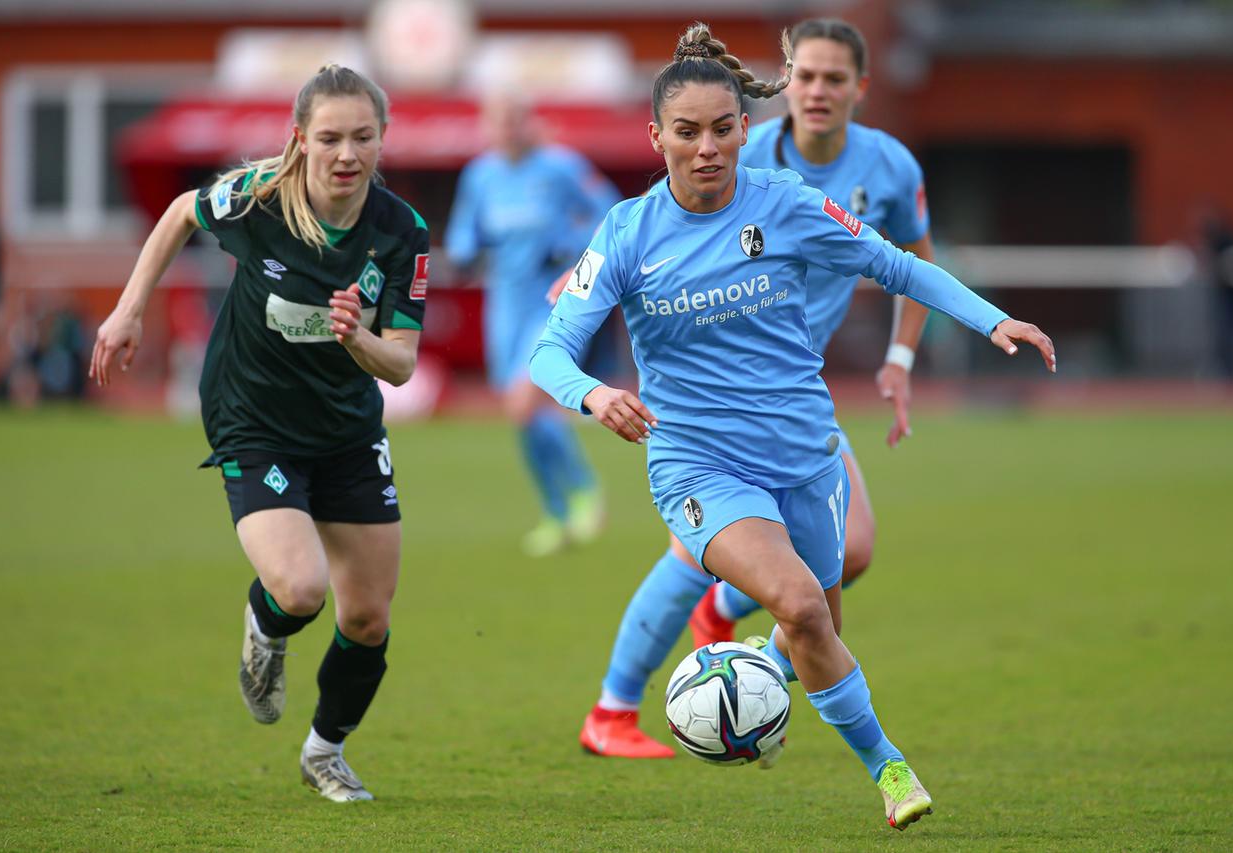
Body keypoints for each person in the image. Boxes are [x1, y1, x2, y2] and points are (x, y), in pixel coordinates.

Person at [530, 23, 1054, 831]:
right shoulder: (628, 235)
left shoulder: (793, 207)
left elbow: (899, 265)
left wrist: (992, 320)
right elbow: (551, 349)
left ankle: (751, 702)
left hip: (807, 458)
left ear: (746, 129)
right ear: (656, 136)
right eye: (687, 131)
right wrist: (595, 396)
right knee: (803, 606)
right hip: (698, 465)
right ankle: (891, 770)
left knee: (817, 627)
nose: (706, 147)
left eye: (722, 128)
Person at [574, 17, 938, 763]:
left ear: (859, 89)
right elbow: (665, 216)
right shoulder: (747, 154)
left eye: (834, 78)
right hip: (713, 408)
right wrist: (594, 275)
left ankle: (731, 626)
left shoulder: (890, 167)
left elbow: (912, 261)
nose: (816, 91)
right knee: (710, 556)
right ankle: (615, 705)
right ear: (781, 85)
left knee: (851, 551)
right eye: (804, 75)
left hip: (789, 399)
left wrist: (900, 355)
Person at [89, 65, 429, 802]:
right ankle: (265, 622)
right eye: (330, 138)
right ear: (300, 139)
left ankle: (324, 752)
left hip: (345, 429)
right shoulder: (259, 197)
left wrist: (356, 340)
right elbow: (181, 211)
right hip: (255, 419)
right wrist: (129, 309)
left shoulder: (402, 233)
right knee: (300, 586)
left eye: (362, 138)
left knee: (368, 616)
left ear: (382, 138)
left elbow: (400, 363)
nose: (347, 154)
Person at [446, 93, 620, 557]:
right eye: (497, 122)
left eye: (513, 119)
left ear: (529, 122)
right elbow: (465, 229)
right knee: (521, 414)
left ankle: (583, 488)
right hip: (504, 304)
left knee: (526, 401)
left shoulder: (561, 167)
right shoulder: (480, 174)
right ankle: (556, 513)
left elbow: (611, 214)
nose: (505, 130)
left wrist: (570, 242)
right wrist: (464, 250)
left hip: (551, 301)